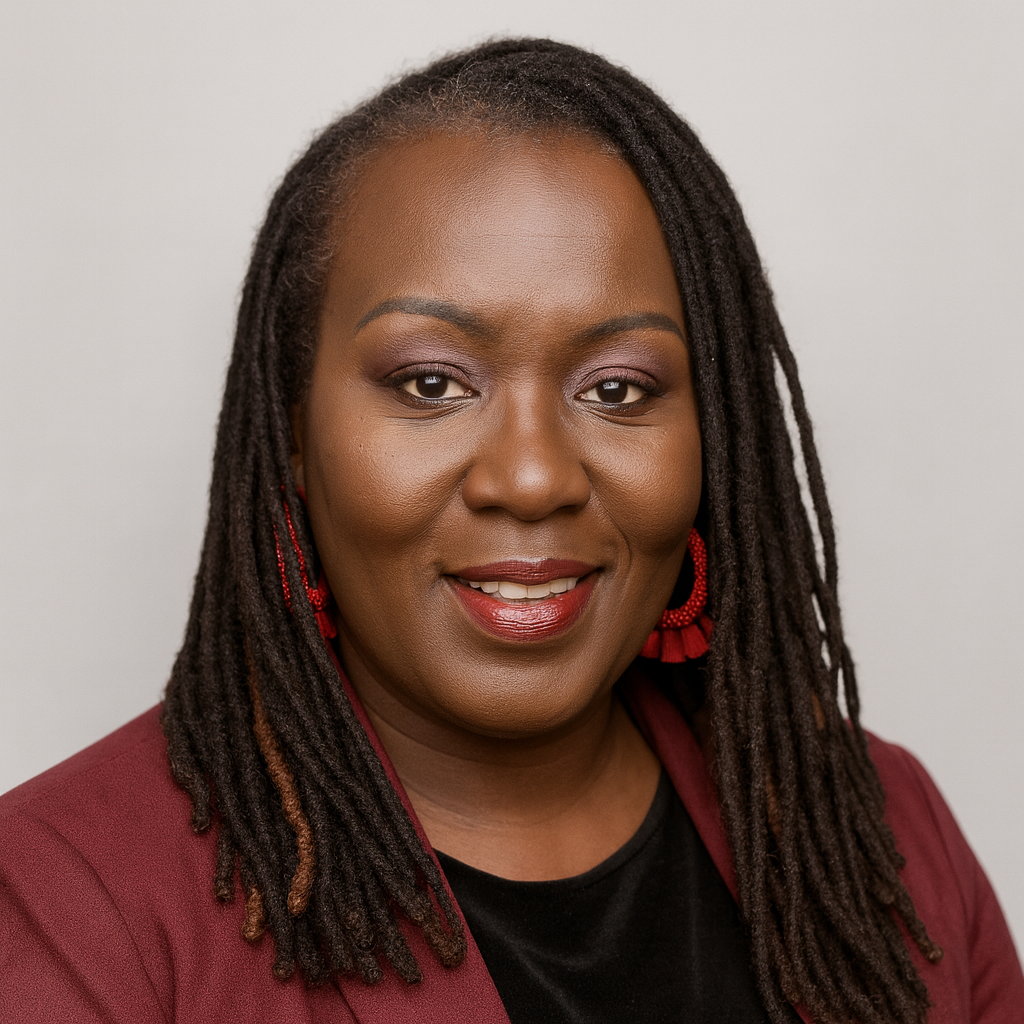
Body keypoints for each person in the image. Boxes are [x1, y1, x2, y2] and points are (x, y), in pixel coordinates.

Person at [0, 38, 1020, 1024]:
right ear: (291, 434)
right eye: (431, 382)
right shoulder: (70, 907)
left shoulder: (881, 831)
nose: (531, 476)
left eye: (618, 388)